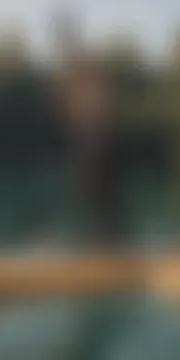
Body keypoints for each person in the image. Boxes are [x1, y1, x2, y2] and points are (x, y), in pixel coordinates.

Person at [59, 54, 126, 249]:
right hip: (90, 148)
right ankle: (99, 245)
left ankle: (109, 245)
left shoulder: (95, 95)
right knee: (94, 203)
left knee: (106, 205)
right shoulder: (82, 94)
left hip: (99, 149)